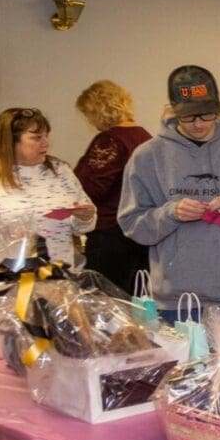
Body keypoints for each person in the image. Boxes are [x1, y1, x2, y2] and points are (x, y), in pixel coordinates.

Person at [118, 65, 220, 345]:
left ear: (217, 109)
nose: (198, 124)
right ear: (172, 110)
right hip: (176, 302)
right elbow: (133, 225)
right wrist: (171, 213)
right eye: (189, 116)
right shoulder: (147, 157)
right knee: (182, 385)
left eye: (206, 114)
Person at [0, 108, 96, 268]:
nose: (46, 142)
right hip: (4, 276)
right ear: (10, 141)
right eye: (37, 137)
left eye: (46, 136)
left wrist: (85, 217)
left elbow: (82, 227)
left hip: (58, 276)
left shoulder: (60, 170)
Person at [73, 81, 152, 289]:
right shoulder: (145, 137)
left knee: (104, 301)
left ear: (97, 110)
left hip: (110, 234)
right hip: (140, 233)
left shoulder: (109, 141)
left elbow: (91, 187)